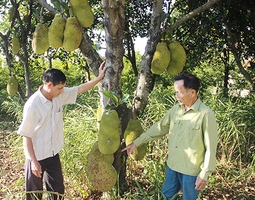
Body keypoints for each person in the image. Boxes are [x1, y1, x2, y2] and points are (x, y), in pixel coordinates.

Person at [17, 62, 106, 200]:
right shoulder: (33, 105)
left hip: (53, 154)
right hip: (36, 156)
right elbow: (26, 136)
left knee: (57, 191)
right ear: (49, 85)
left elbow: (80, 89)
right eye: (59, 88)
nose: (62, 91)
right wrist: (34, 162)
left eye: (63, 88)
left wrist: (99, 77)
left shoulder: (59, 95)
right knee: (34, 195)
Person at [122, 72, 218, 200]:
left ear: (193, 92)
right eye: (175, 92)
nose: (176, 96)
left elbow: (211, 148)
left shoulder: (205, 114)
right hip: (173, 166)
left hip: (191, 171)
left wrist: (204, 174)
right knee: (166, 196)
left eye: (179, 92)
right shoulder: (175, 110)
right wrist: (136, 143)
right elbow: (159, 128)